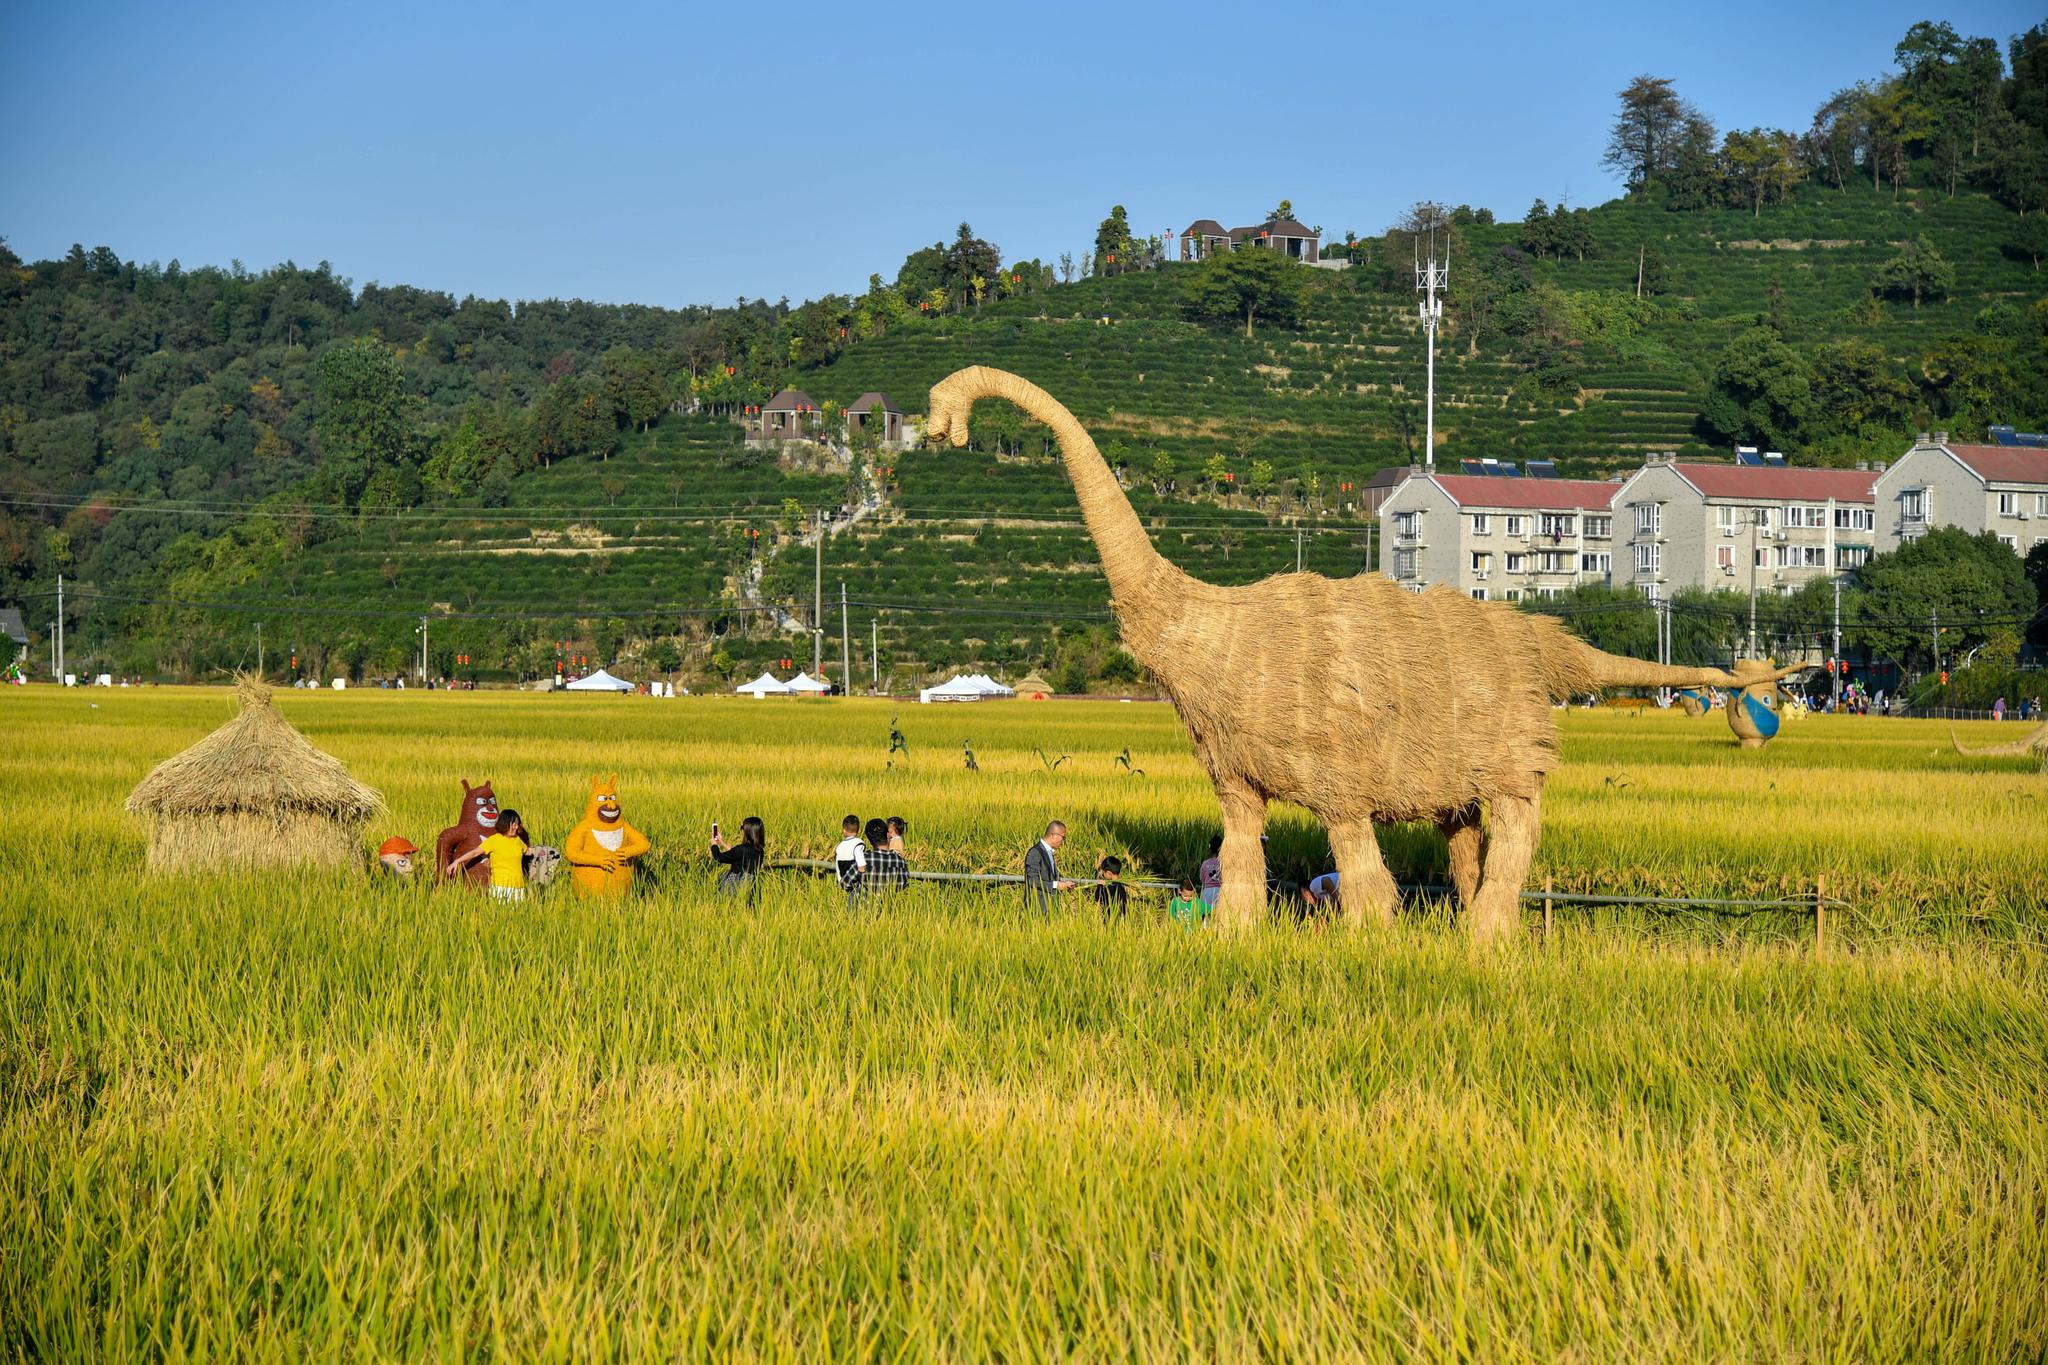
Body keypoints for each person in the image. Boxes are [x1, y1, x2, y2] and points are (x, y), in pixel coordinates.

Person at [448, 820, 530, 901]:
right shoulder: (494, 840)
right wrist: (457, 861)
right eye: (513, 824)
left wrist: (541, 850)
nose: (516, 827)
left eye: (517, 824)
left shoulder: (517, 840)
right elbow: (475, 852)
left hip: (518, 887)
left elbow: (528, 851)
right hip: (500, 887)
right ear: (505, 824)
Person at [1023, 820, 1073, 912]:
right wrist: (1056, 885)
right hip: (1037, 908)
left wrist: (1064, 884)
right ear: (1053, 835)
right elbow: (1031, 880)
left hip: (1049, 907)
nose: (1063, 841)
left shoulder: (1049, 852)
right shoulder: (1035, 852)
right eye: (1063, 837)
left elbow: (1049, 877)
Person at [711, 815, 766, 897]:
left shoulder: (740, 850)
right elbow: (737, 855)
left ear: (747, 832)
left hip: (736, 886)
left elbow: (719, 857)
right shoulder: (760, 850)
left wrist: (714, 845)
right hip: (753, 887)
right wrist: (722, 843)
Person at [865, 818, 908, 892]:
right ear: (886, 834)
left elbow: (846, 882)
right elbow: (904, 883)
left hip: (867, 902)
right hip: (893, 901)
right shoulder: (901, 862)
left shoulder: (862, 859)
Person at [834, 814, 867, 903]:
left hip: (843, 881)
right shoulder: (859, 844)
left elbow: (837, 865)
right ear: (859, 830)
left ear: (844, 830)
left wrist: (841, 881)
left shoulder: (839, 846)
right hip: (856, 883)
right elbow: (861, 865)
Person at [1197, 834, 1223, 909]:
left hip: (1207, 892)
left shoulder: (1205, 863)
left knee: (1206, 915)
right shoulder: (1223, 863)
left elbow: (1202, 879)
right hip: (1220, 891)